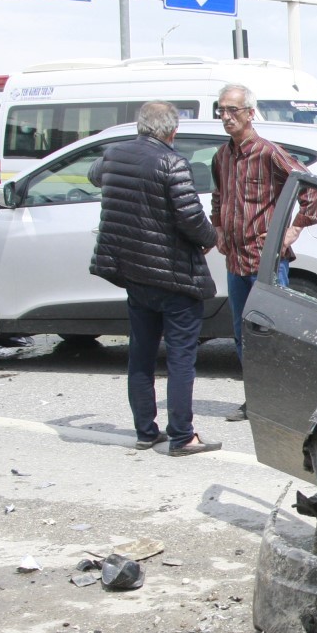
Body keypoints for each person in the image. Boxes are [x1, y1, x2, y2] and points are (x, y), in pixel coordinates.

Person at [89, 101, 222, 456]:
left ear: (140, 127)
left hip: (133, 272)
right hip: (174, 277)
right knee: (180, 360)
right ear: (172, 131)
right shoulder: (172, 162)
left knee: (141, 355)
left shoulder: (115, 155)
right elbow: (191, 218)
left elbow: (94, 175)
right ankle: (182, 436)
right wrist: (213, 238)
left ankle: (146, 431)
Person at [210, 83, 317, 422]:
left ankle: (283, 402)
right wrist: (217, 227)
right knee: (243, 334)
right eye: (222, 110)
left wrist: (295, 228)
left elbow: (311, 187)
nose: (226, 117)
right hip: (235, 258)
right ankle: (256, 400)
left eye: (233, 110)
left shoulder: (269, 152)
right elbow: (219, 196)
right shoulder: (222, 156)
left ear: (249, 113)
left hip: (266, 259)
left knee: (273, 333)